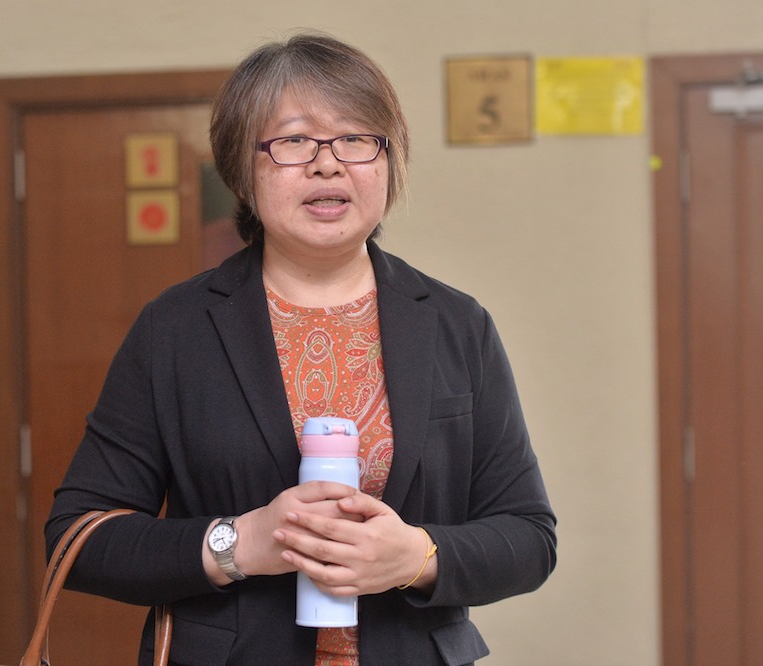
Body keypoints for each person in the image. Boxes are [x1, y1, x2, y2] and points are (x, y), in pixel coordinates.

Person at [46, 32, 557, 666]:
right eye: (292, 141)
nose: (327, 163)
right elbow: (76, 537)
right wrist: (240, 543)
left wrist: (417, 556)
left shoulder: (457, 324)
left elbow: (529, 538)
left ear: (388, 162)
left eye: (356, 138)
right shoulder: (175, 329)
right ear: (243, 168)